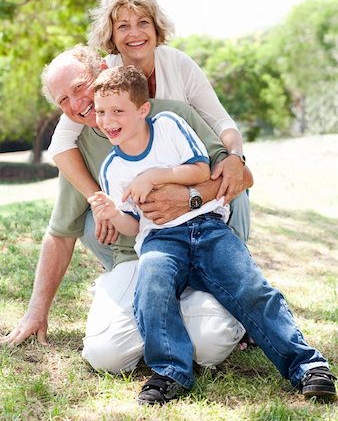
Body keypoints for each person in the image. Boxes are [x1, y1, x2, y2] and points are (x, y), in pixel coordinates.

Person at [89, 65, 337, 405]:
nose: (107, 119)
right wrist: (113, 214)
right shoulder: (112, 168)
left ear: (143, 109)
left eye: (118, 110)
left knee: (251, 288)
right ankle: (170, 371)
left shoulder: (168, 126)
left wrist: (155, 175)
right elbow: (133, 225)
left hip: (207, 227)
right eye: (101, 111)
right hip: (160, 241)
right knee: (151, 287)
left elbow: (201, 169)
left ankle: (308, 366)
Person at [0, 45, 254, 372]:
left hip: (196, 246)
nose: (77, 104)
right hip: (136, 259)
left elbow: (239, 178)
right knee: (106, 357)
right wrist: (36, 312)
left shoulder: (173, 115)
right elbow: (60, 234)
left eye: (79, 87)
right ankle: (150, 312)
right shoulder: (76, 150)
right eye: (63, 100)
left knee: (210, 345)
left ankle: (223, 304)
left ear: (103, 69)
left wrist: (189, 195)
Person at [47, 0, 251, 243]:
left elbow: (221, 121)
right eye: (123, 26)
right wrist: (98, 199)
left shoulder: (179, 65)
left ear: (156, 27)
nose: (135, 33)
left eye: (143, 22)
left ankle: (236, 255)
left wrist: (235, 156)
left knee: (235, 179)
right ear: (111, 35)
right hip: (138, 195)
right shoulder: (103, 77)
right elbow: (60, 144)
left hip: (186, 173)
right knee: (92, 219)